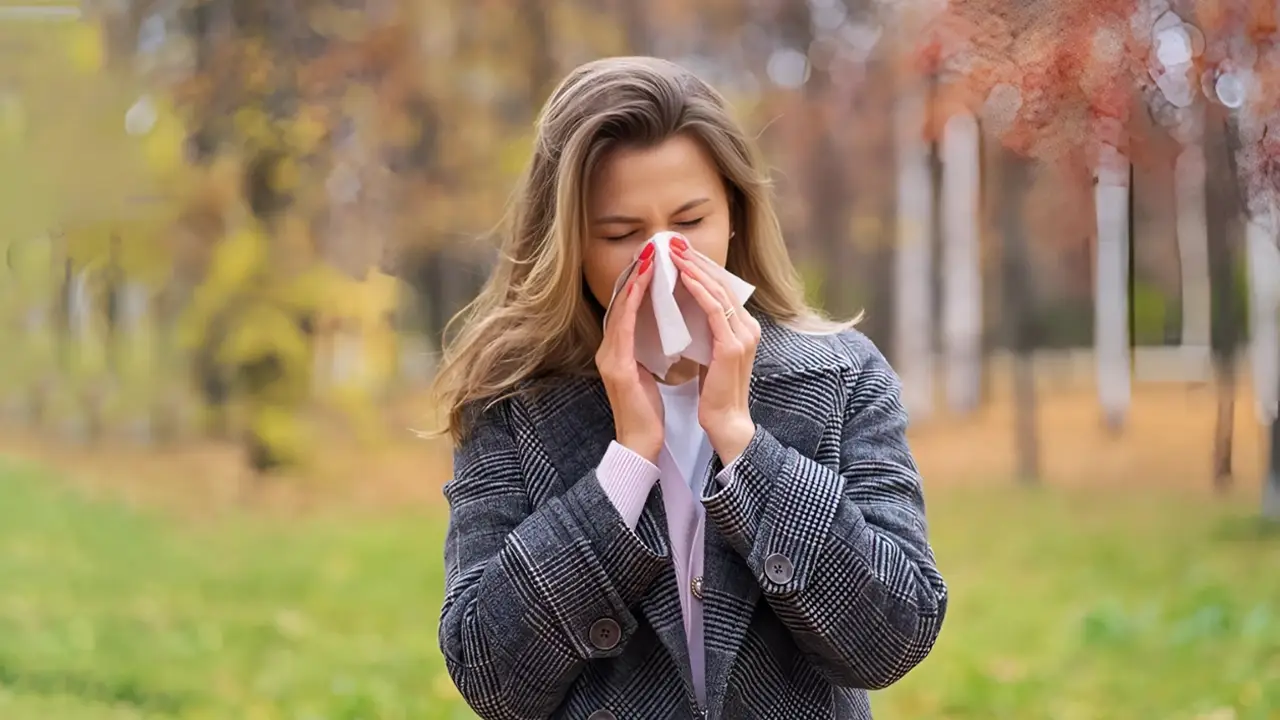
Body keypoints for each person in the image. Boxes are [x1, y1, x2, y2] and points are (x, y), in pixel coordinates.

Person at [431, 56, 947, 720]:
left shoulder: (842, 376)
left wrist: (743, 442)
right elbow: (490, 676)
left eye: (691, 221)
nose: (664, 259)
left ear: (735, 213)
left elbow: (893, 639)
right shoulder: (509, 403)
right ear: (569, 245)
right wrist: (627, 462)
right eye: (622, 234)